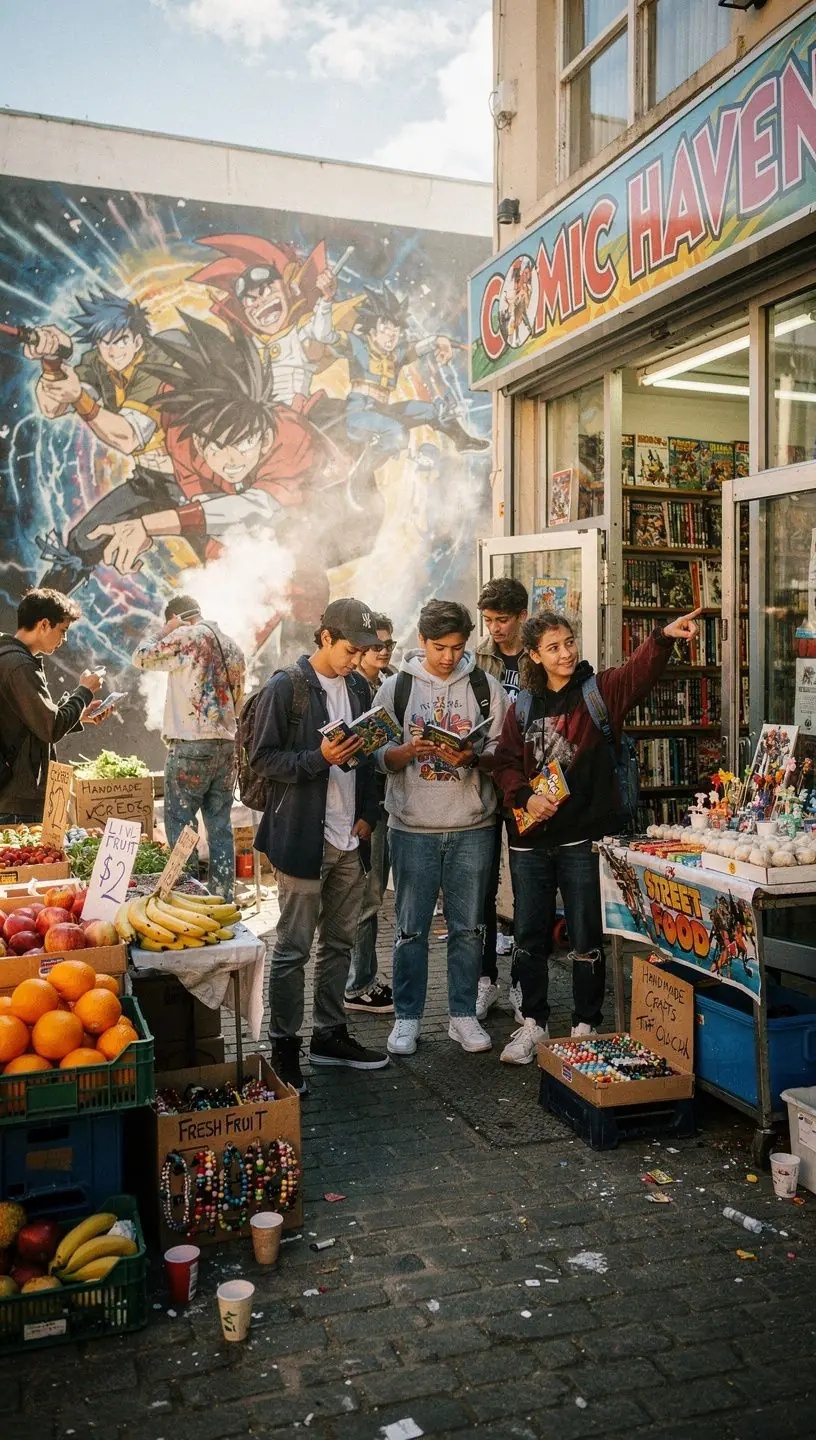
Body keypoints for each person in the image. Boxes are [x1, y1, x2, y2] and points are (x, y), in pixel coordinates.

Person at [492, 605, 701, 1064]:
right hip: (530, 838)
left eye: (569, 642)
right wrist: (525, 796)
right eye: (552, 648)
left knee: (586, 933)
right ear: (533, 654)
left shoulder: (597, 690)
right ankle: (533, 1024)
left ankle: (586, 1024)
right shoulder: (523, 705)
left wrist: (662, 639)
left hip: (582, 836)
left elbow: (638, 674)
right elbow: (504, 762)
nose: (565, 653)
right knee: (529, 933)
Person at [250, 599, 390, 1094]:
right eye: (352, 649)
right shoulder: (285, 687)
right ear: (326, 637)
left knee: (339, 943)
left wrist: (368, 814)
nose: (358, 659)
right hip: (301, 839)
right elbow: (263, 758)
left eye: (365, 651)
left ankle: (330, 1035)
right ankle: (284, 1045)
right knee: (291, 950)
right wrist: (318, 758)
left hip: (349, 839)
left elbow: (368, 757)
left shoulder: (357, 685)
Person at [375, 599, 509, 1057]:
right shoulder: (395, 689)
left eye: (456, 647)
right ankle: (407, 1018)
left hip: (473, 824)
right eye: (439, 647)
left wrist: (470, 756)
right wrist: (407, 751)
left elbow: (502, 753)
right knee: (410, 929)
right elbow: (379, 757)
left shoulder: (486, 686)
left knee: (469, 928)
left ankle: (462, 1016)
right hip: (412, 828)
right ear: (421, 641)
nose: (448, 656)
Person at [132, 595, 246, 900]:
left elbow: (141, 656)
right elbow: (238, 701)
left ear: (177, 617)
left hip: (191, 746)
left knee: (182, 825)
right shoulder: (232, 645)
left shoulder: (185, 636)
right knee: (220, 825)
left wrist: (164, 629)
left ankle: (189, 897)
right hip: (226, 745)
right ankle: (223, 900)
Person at [0, 589, 104, 824]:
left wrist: (78, 716)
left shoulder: (10, 657)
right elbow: (50, 728)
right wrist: (84, 691)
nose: (64, 640)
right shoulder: (18, 664)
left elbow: (32, 723)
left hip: (13, 797)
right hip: (16, 800)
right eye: (63, 631)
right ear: (44, 624)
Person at [474, 577, 529, 1023]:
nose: (494, 628)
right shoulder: (477, 658)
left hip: (530, 787)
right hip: (489, 784)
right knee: (482, 888)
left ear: (522, 616)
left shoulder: (543, 652)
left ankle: (524, 985)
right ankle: (484, 979)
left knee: (528, 887)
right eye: (488, 620)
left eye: (503, 620)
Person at [344, 613, 397, 1015]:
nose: (382, 651)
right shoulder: (351, 686)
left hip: (394, 803)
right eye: (376, 645)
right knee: (368, 897)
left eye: (388, 645)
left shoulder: (393, 681)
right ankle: (358, 982)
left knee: (375, 897)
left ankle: (362, 977)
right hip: (368, 807)